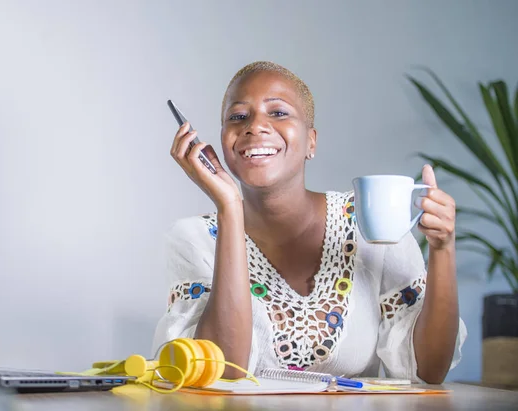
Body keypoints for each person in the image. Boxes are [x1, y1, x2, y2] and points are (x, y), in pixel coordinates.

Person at [152, 61, 466, 383]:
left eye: (278, 113)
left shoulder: (367, 222)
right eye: (238, 117)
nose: (255, 126)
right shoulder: (194, 238)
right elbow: (226, 369)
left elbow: (429, 369)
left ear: (311, 142)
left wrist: (443, 248)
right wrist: (230, 207)